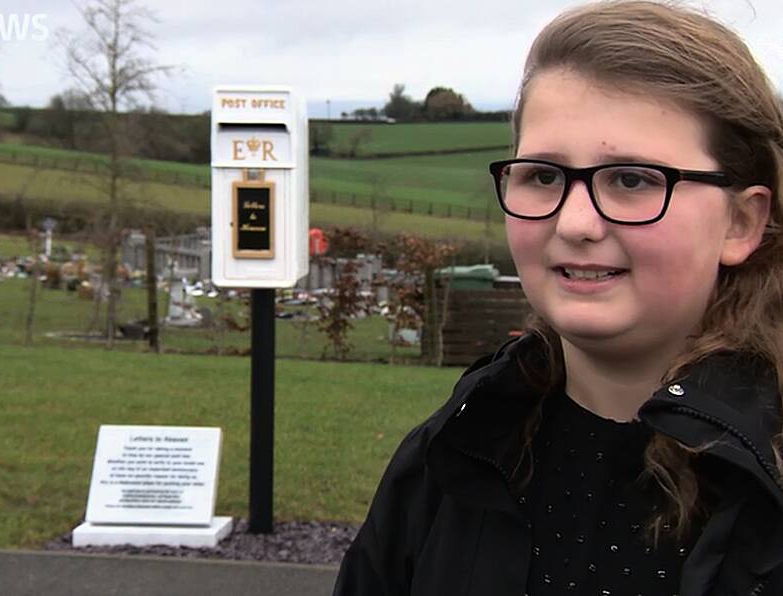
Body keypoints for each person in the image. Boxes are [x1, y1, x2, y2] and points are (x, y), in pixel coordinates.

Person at [333, 1, 783, 594]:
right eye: (543, 176)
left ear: (741, 222)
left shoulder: (764, 477)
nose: (575, 223)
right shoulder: (454, 452)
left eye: (631, 180)